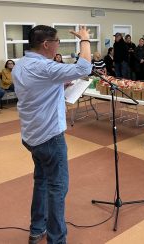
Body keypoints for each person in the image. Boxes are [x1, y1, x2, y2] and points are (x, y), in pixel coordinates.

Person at [12, 25, 92, 244]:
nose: (58, 45)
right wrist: (84, 40)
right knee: (57, 188)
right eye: (57, 41)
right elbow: (85, 67)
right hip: (50, 137)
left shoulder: (21, 65)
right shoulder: (45, 68)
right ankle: (56, 240)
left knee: (41, 181)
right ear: (47, 44)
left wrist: (59, 84)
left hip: (31, 136)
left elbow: (37, 88)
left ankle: (37, 229)